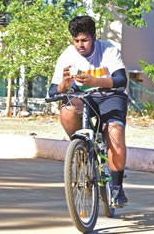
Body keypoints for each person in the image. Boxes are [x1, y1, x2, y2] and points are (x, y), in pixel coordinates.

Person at [48, 16, 128, 207]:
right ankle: (81, 148)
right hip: (83, 98)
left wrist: (96, 81)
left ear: (93, 37)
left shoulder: (108, 49)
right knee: (67, 110)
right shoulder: (67, 55)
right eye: (76, 41)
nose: (80, 45)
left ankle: (116, 189)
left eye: (84, 40)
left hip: (110, 96)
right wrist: (63, 86)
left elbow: (120, 80)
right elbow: (52, 91)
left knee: (114, 131)